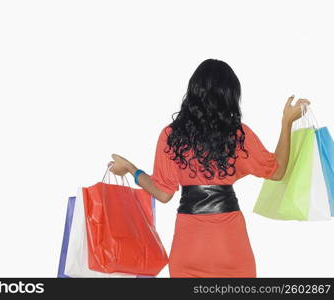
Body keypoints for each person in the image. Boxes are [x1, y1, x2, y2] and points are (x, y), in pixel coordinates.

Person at [108, 58, 310, 278]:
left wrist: (130, 168)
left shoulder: (171, 135)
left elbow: (163, 193)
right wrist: (286, 122)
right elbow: (277, 171)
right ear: (229, 96)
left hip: (188, 248)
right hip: (230, 246)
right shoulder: (238, 135)